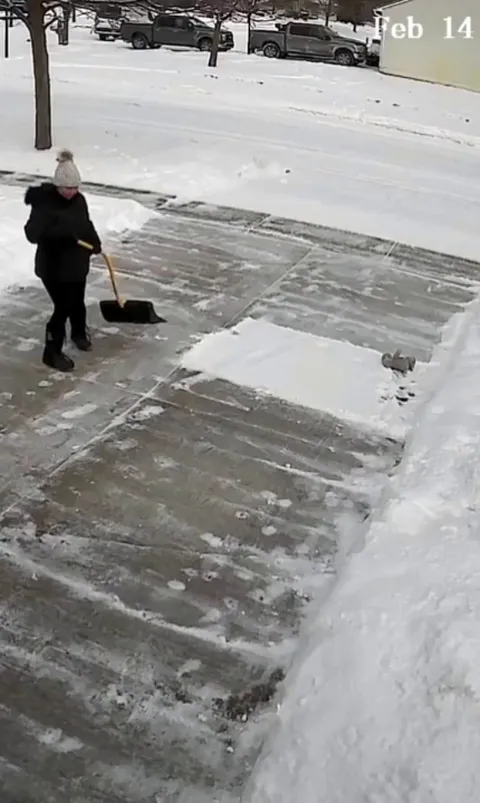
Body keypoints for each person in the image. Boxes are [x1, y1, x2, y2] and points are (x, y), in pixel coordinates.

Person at [24, 149, 102, 372]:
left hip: (77, 263)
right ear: (58, 186)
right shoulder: (44, 205)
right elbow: (31, 235)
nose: (72, 192)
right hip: (53, 267)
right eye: (68, 188)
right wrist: (54, 232)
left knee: (77, 300)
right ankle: (52, 351)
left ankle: (78, 333)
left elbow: (86, 224)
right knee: (63, 307)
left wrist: (94, 242)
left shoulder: (79, 201)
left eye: (75, 188)